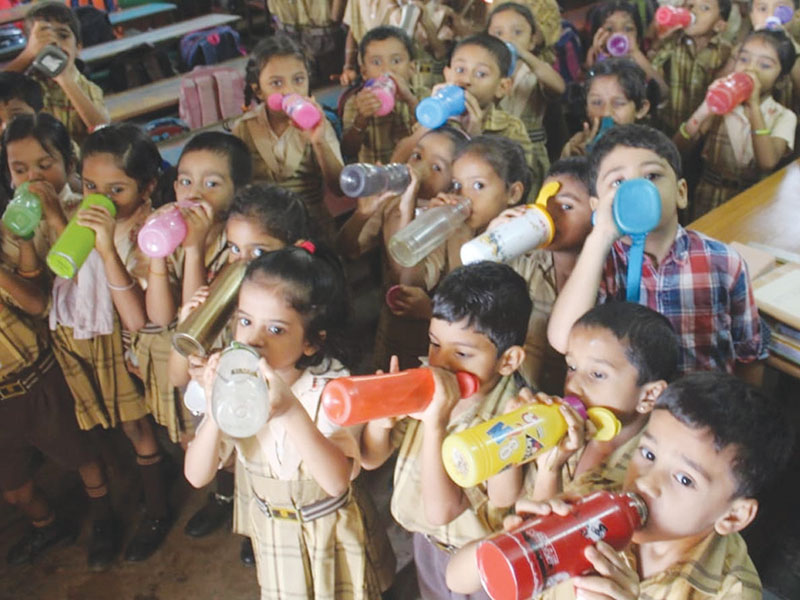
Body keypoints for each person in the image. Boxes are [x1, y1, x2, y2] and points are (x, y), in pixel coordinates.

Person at [184, 245, 395, 600]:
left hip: (328, 533)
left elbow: (335, 482)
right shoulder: (234, 386)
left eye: (277, 329)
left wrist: (290, 411)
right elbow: (197, 474)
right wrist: (214, 405)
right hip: (274, 533)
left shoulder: (332, 391)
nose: (253, 340)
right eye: (245, 321)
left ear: (312, 342)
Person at [445, 302, 679, 595]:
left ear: (650, 395)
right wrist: (509, 435)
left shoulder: (644, 476)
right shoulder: (556, 426)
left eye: (597, 375)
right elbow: (503, 499)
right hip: (502, 567)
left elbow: (551, 551)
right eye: (571, 367)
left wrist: (549, 472)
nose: (574, 386)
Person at [501, 371, 793, 600]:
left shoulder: (731, 593)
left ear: (733, 516)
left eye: (684, 479)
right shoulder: (596, 496)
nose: (646, 482)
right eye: (649, 454)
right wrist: (532, 530)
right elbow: (466, 577)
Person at [360, 261, 532, 599]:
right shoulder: (425, 381)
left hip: (479, 560)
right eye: (434, 344)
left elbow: (442, 511)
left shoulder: (509, 419)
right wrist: (382, 418)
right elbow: (370, 458)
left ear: (508, 361)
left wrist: (436, 423)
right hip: (427, 544)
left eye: (463, 353)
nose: (441, 363)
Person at [44, 123, 170, 562]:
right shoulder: (84, 210)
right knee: (99, 423)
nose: (99, 198)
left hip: (118, 338)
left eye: (116, 189)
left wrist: (103, 245)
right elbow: (67, 269)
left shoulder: (146, 232)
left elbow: (139, 309)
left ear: (147, 186)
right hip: (74, 329)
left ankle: (156, 509)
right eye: (91, 185)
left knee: (137, 425)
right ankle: (118, 501)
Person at [547, 123, 765, 377]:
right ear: (598, 206)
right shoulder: (597, 264)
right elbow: (564, 339)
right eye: (618, 182)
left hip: (702, 409)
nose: (638, 189)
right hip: (628, 415)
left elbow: (749, 352)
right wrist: (601, 235)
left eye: (652, 176)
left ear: (681, 193)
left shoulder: (724, 262)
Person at [167, 183, 311, 559]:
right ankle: (253, 526)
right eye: (234, 249)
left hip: (285, 413)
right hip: (239, 416)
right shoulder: (224, 293)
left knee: (288, 473)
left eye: (259, 251)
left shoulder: (298, 300)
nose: (243, 262)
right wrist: (190, 322)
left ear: (294, 249)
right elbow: (178, 375)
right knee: (248, 474)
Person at [337, 125, 469, 371]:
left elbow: (411, 285)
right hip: (389, 330)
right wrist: (362, 214)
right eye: (417, 156)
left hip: (431, 339)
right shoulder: (391, 203)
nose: (418, 169)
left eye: (436, 167)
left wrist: (408, 211)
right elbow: (347, 248)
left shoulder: (449, 223)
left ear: (454, 184)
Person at [486, 157, 594, 392]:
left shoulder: (612, 276)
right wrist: (492, 245)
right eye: (545, 203)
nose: (549, 215)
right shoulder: (523, 264)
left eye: (566, 206)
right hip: (522, 398)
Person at [388, 135, 533, 296]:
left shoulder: (526, 241)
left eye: (478, 185)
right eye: (457, 184)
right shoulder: (452, 228)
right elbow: (411, 284)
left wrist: (428, 311)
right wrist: (426, 226)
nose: (463, 195)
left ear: (513, 193)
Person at [676, 29, 797, 218]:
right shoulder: (721, 106)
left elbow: (767, 162)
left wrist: (754, 107)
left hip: (753, 202)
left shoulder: (783, 116)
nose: (750, 69)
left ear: (781, 80)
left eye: (764, 65)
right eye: (744, 59)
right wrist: (705, 108)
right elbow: (678, 149)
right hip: (707, 198)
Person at [233, 35, 342, 241]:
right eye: (276, 83)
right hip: (264, 228)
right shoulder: (244, 129)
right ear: (258, 90)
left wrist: (318, 141)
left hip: (313, 226)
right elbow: (236, 190)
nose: (289, 90)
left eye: (298, 80)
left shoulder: (320, 123)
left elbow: (338, 187)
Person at [392, 33, 535, 170]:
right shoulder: (433, 122)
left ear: (502, 87)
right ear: (447, 74)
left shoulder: (511, 128)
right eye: (460, 70)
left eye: (481, 74)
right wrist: (430, 123)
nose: (466, 80)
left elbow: (518, 185)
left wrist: (475, 139)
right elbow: (396, 163)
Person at [3, 1, 109, 144]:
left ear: (78, 48)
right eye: (43, 38)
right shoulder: (22, 84)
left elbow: (102, 130)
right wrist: (28, 55)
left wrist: (65, 80)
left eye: (63, 36)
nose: (55, 43)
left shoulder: (88, 89)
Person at [487, 1, 566, 194]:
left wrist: (523, 54)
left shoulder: (536, 72)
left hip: (531, 153)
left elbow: (559, 87)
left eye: (517, 32)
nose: (508, 39)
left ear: (533, 40)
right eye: (498, 33)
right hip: (495, 149)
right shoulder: (487, 72)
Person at [341, 25, 422, 164]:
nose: (387, 70)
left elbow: (434, 138)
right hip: (374, 180)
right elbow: (348, 150)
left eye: (396, 61)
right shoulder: (357, 102)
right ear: (364, 73)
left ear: (412, 68)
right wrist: (361, 119)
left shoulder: (423, 98)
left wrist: (411, 101)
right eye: (376, 62)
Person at [649, 0, 734, 133]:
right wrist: (660, 40)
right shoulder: (673, 43)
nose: (693, 11)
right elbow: (652, 69)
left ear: (719, 25)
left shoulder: (726, 53)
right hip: (667, 126)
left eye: (704, 8)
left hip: (703, 132)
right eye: (690, 5)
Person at [561, 58, 652, 158]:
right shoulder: (575, 147)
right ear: (586, 107)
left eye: (618, 103)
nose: (606, 113)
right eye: (597, 102)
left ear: (641, 109)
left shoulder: (652, 151)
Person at [585, 1, 668, 98]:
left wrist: (635, 53)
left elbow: (664, 92)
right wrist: (596, 60)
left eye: (628, 29)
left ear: (638, 38)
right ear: (598, 36)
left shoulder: (642, 62)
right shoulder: (595, 59)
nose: (619, 35)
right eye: (609, 29)